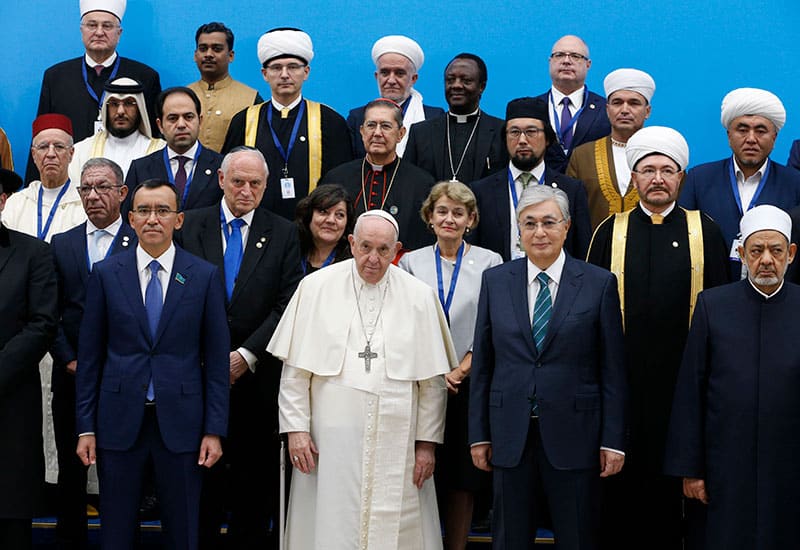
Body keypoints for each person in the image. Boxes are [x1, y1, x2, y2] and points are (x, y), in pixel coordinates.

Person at [268, 209, 457, 549]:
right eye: (365, 247)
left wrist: (427, 444)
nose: (373, 258)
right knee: (329, 523)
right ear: (351, 243)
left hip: (398, 439)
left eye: (384, 250)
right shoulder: (315, 288)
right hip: (327, 444)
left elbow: (432, 384)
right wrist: (296, 429)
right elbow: (295, 372)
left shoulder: (419, 296)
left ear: (396, 249)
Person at [586, 127, 729, 549]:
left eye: (667, 170)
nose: (658, 178)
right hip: (623, 386)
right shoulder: (608, 231)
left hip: (684, 385)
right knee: (622, 498)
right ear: (634, 178)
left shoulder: (706, 230)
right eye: (648, 170)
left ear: (681, 177)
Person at [469, 185, 627, 549]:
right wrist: (479, 434)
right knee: (509, 539)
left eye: (548, 222)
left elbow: (612, 371)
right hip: (510, 436)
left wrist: (613, 441)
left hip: (577, 436)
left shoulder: (598, 283)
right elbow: (485, 363)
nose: (539, 232)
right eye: (529, 223)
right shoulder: (496, 281)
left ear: (567, 226)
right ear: (518, 231)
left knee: (576, 536)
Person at [75, 179, 230, 550]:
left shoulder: (204, 276)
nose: (152, 219)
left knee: (183, 530)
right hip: (118, 421)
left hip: (183, 425)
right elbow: (91, 356)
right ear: (130, 218)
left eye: (162, 210)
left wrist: (214, 429)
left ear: (179, 220)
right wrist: (85, 427)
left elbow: (216, 362)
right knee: (115, 530)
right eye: (143, 210)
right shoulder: (107, 273)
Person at [176, 146, 303, 549]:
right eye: (238, 182)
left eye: (255, 184)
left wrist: (246, 355)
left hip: (256, 379)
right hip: (195, 374)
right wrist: (209, 354)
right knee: (201, 485)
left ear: (266, 186)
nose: (245, 191)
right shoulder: (189, 226)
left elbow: (287, 302)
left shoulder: (283, 232)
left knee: (252, 487)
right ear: (220, 181)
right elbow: (175, 293)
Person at [665, 204, 800, 550]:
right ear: (741, 254)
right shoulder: (713, 306)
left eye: (776, 250)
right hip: (724, 465)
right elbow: (690, 392)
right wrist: (691, 468)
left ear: (791, 254)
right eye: (756, 251)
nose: (766, 260)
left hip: (788, 466)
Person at [398, 181, 502, 550]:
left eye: (458, 212)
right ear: (429, 217)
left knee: (462, 478)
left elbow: (491, 324)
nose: (449, 219)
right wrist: (435, 372)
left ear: (470, 219)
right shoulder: (411, 262)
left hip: (468, 383)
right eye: (442, 211)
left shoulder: (491, 262)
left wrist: (458, 371)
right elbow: (404, 322)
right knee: (420, 471)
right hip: (422, 382)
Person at [50, 157, 136, 549]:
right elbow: (49, 310)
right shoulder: (62, 243)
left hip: (126, 375)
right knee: (73, 469)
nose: (93, 196)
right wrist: (68, 358)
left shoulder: (141, 240)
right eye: (86, 188)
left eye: (103, 187)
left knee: (124, 466)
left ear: (122, 193)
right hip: (72, 373)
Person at [222, 27, 352, 220]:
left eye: (292, 67)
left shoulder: (330, 121)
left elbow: (341, 183)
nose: (284, 74)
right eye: (276, 68)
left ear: (306, 72)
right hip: (254, 226)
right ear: (264, 74)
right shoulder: (244, 120)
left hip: (311, 230)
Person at [30, 0, 161, 182]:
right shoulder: (56, 77)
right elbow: (42, 134)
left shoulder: (145, 77)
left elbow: (153, 136)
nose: (99, 32)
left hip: (130, 179)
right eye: (92, 25)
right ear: (81, 30)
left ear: (119, 33)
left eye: (107, 26)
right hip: (69, 180)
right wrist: (36, 185)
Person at [679, 87, 800, 280]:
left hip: (774, 294)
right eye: (742, 130)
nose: (751, 139)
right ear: (729, 136)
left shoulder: (794, 183)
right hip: (711, 292)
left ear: (775, 138)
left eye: (761, 131)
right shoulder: (699, 178)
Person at [0, 168, 58, 550]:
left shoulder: (33, 253)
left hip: (10, 402)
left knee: (10, 517)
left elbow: (42, 323)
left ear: (2, 199)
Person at [470, 97, 591, 261]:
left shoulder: (571, 190)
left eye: (531, 132)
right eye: (514, 132)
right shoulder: (481, 192)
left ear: (547, 138)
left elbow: (582, 252)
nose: (522, 140)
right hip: (499, 281)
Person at [321, 98, 435, 251]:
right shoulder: (336, 178)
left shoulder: (422, 183)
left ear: (401, 134)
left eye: (386, 126)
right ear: (362, 132)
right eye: (371, 125)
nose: (377, 133)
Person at [567, 68, 655, 229]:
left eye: (634, 103)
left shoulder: (664, 156)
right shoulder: (582, 156)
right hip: (594, 252)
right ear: (607, 110)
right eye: (617, 102)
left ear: (647, 111)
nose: (625, 110)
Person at [404, 53, 506, 184]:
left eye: (466, 81)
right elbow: (408, 181)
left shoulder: (501, 131)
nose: (456, 85)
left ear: (482, 86)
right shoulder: (421, 132)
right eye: (450, 80)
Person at [124, 87, 223, 216]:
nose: (181, 124)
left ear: (200, 121)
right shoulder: (140, 169)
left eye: (188, 117)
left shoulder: (221, 166)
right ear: (160, 125)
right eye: (172, 118)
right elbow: (128, 218)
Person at [347, 35, 444, 157]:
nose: (391, 80)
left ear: (413, 79)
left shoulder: (433, 118)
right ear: (377, 77)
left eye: (399, 73)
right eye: (385, 73)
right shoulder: (358, 117)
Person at [3, 114, 86, 241]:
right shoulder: (15, 204)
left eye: (59, 147)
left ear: (71, 154)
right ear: (34, 154)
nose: (51, 154)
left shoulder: (85, 203)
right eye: (43, 147)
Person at [536, 35, 610, 173]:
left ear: (588, 64)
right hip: (542, 190)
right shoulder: (533, 108)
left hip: (590, 189)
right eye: (559, 55)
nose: (566, 61)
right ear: (550, 61)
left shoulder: (606, 109)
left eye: (575, 56)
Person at [69, 77, 165, 183]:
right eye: (114, 104)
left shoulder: (160, 150)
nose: (120, 111)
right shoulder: (81, 151)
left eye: (129, 103)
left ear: (140, 108)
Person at [188, 22, 263, 153]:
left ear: (231, 56)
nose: (208, 54)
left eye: (217, 49)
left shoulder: (251, 99)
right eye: (203, 48)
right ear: (195, 55)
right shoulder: (182, 97)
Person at [294, 183, 354, 275]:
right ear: (309, 215)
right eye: (323, 212)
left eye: (339, 215)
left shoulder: (352, 265)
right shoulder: (290, 253)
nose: (331, 220)